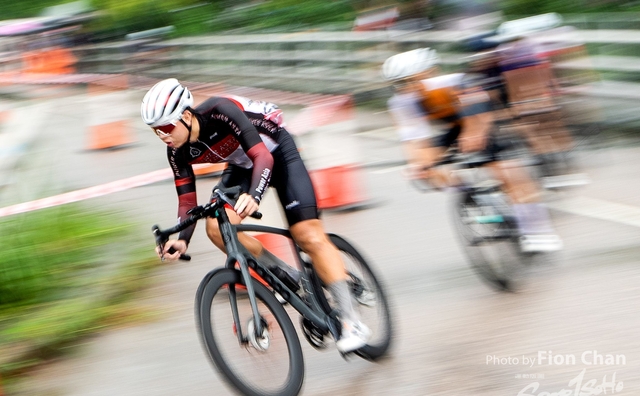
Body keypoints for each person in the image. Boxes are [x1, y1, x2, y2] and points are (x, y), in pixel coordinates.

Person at [141, 78, 370, 353]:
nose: (163, 135)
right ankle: (289, 278)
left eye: (166, 127)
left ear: (187, 116)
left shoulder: (220, 110)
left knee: (307, 235)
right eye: (155, 131)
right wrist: (182, 239)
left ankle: (351, 321)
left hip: (277, 153)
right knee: (216, 228)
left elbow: (263, 156)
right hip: (242, 165)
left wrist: (254, 195)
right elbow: (187, 201)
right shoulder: (176, 152)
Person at [382, 48, 562, 252]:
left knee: (505, 169)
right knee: (428, 171)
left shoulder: (456, 82)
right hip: (454, 127)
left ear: (429, 73)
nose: (407, 89)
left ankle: (538, 229)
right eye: (399, 84)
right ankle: (471, 194)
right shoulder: (401, 102)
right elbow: (414, 140)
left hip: (483, 117)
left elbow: (480, 115)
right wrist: (419, 165)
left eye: (412, 81)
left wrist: (474, 134)